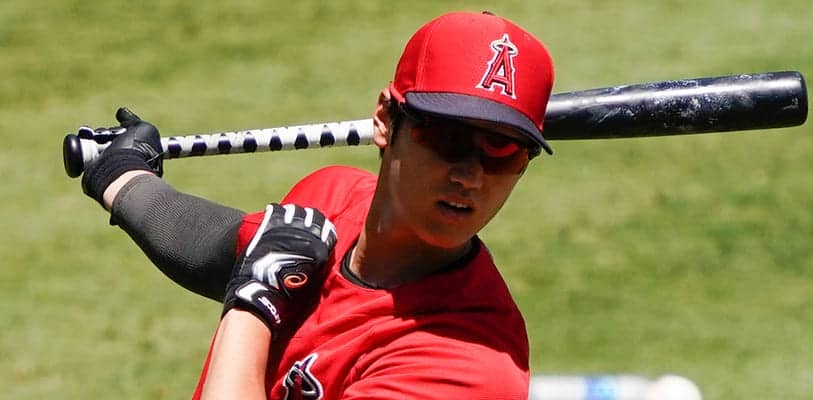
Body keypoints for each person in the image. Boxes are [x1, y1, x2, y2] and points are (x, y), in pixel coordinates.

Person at [80, 11, 555, 399]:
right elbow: (215, 246)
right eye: (448, 137)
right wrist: (121, 174)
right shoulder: (332, 198)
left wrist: (253, 303)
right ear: (386, 120)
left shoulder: (468, 368)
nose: (469, 175)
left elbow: (257, 275)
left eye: (502, 150)